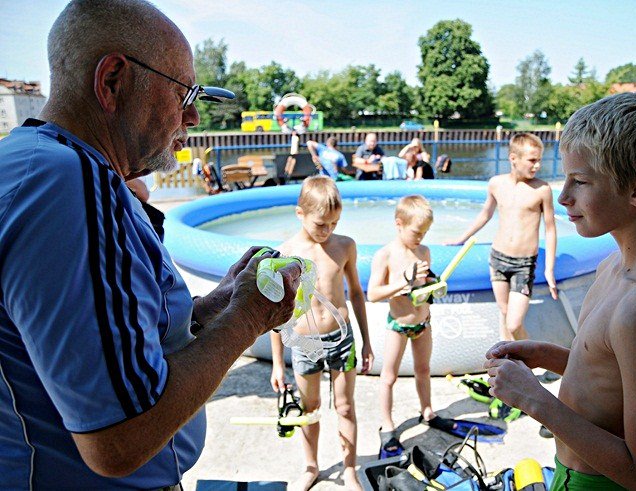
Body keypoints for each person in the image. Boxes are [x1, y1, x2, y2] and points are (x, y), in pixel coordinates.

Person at [0, 1, 300, 488]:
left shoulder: (36, 165)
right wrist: (249, 318)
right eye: (184, 93)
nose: (195, 115)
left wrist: (209, 311)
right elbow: (118, 442)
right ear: (113, 81)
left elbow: (90, 344)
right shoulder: (66, 184)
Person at [485, 92, 636, 490]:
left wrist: (535, 401)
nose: (563, 196)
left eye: (580, 181)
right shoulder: (614, 265)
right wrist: (548, 356)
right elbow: (619, 378)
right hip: (573, 474)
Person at [270, 176, 374, 491]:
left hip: (342, 340)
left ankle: (350, 469)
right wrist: (277, 363)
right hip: (304, 343)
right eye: (320, 224)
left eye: (334, 223)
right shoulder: (285, 253)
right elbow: (276, 311)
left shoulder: (345, 246)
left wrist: (367, 340)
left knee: (345, 406)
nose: (327, 230)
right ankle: (311, 467)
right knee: (309, 407)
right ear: (299, 213)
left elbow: (356, 293)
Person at [449, 133, 558, 342]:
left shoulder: (542, 190)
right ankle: (507, 364)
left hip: (524, 264)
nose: (537, 166)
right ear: (513, 158)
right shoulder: (496, 184)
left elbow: (550, 229)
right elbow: (485, 214)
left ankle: (530, 363)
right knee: (505, 312)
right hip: (498, 259)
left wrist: (549, 269)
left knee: (514, 323)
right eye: (532, 160)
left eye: (539, 160)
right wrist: (460, 239)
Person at [367, 195, 439, 457]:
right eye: (416, 232)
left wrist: (434, 283)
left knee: (423, 369)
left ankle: (427, 409)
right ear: (399, 223)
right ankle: (387, 423)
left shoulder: (424, 251)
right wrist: (404, 282)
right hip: (398, 324)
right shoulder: (385, 254)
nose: (420, 238)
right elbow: (373, 293)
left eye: (425, 233)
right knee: (389, 376)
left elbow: (425, 284)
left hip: (423, 322)